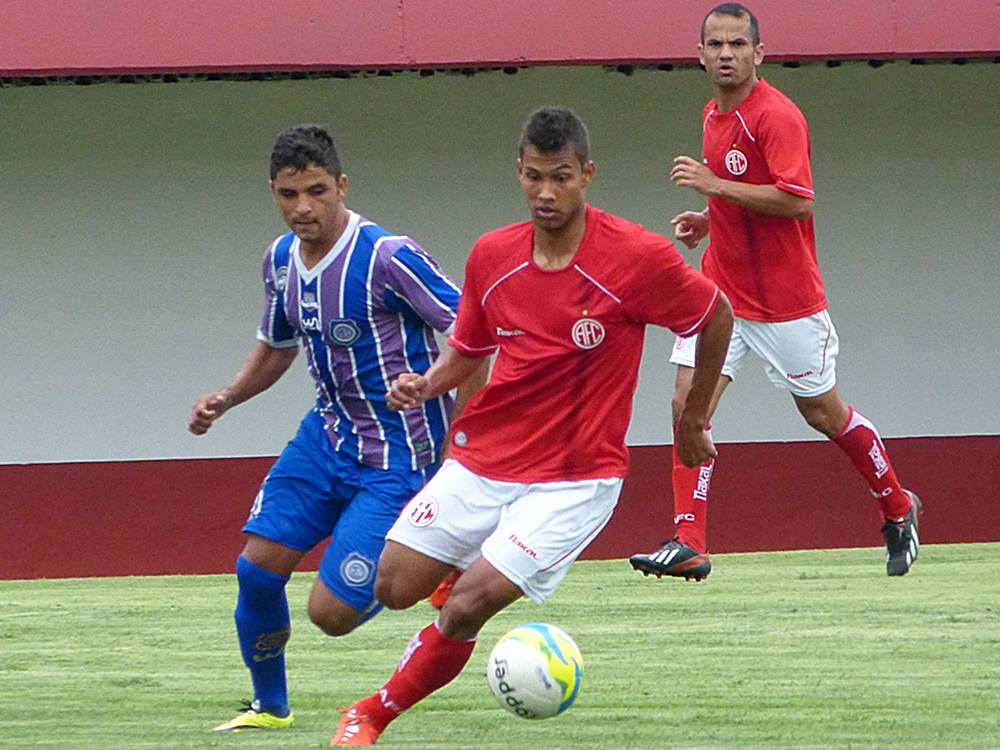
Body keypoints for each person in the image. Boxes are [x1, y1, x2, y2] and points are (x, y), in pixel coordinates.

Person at [328, 106, 733, 746]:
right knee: (394, 586)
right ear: (519, 172)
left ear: (587, 175)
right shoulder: (493, 255)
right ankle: (459, 581)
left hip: (575, 480)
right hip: (484, 459)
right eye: (536, 177)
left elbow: (715, 315)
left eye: (562, 178)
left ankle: (371, 713)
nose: (547, 193)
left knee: (466, 607)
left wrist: (694, 416)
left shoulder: (636, 257)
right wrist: (428, 383)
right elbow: (468, 346)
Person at [188, 124, 481, 732]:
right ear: (273, 192)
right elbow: (277, 345)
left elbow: (474, 336)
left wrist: (464, 436)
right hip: (325, 440)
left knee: (331, 615)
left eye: (317, 191)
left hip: (400, 455)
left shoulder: (388, 256)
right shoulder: (278, 260)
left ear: (342, 185)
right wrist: (229, 396)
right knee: (255, 569)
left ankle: (433, 558)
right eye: (289, 194)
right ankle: (270, 707)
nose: (303, 207)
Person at [629, 3, 921, 582]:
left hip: (786, 303)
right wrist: (710, 217)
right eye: (715, 45)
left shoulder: (777, 115)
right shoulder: (713, 114)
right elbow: (743, 190)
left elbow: (798, 199)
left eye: (738, 44)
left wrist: (716, 185)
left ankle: (897, 503)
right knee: (688, 407)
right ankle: (689, 539)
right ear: (700, 54)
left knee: (822, 413)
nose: (726, 54)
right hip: (721, 293)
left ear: (759, 53)